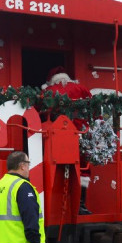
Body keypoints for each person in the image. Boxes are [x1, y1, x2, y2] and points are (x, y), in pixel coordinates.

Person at [41, 66, 94, 215]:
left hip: (58, 135)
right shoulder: (81, 88)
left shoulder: (48, 91)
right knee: (83, 167)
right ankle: (81, 204)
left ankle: (53, 205)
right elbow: (93, 108)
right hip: (81, 133)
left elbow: (40, 110)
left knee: (57, 167)